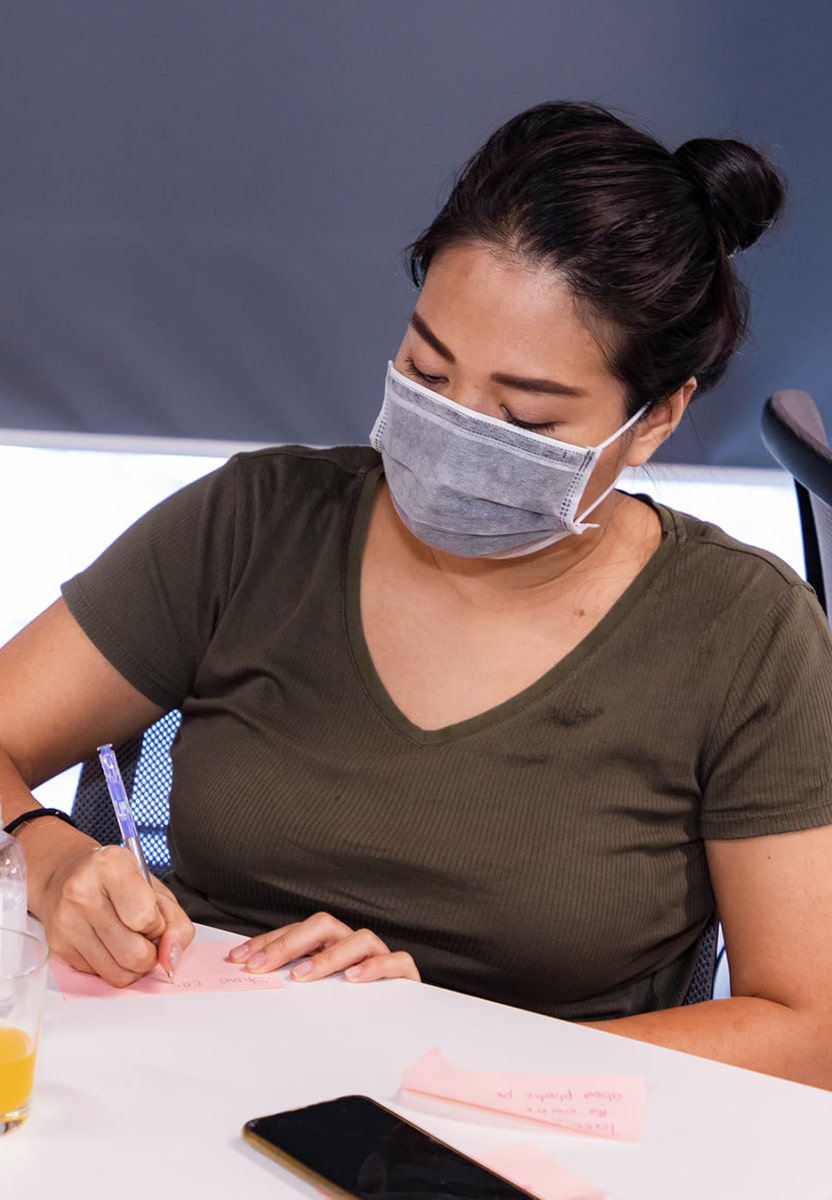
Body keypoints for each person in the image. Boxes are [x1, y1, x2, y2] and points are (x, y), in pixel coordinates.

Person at [3, 100, 832, 1089]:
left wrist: (432, 1054)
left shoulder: (740, 634)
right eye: (427, 372)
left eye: (522, 416)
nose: (451, 437)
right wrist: (44, 854)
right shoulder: (260, 523)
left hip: (509, 1140)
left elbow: (805, 1032)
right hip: (182, 1092)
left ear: (654, 420)